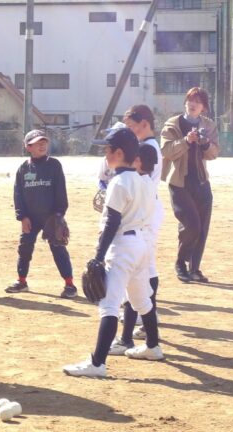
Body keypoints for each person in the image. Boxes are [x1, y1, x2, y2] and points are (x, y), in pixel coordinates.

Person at [63, 128, 163, 378]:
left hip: (122, 247)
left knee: (109, 304)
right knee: (142, 300)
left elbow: (111, 223)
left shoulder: (119, 182)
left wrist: (98, 255)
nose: (105, 156)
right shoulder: (144, 181)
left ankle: (97, 363)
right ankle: (153, 346)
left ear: (119, 153)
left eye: (107, 151)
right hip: (141, 245)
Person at [6, 129, 77, 299]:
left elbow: (61, 191)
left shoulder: (54, 165)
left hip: (51, 217)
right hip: (30, 217)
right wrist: (22, 217)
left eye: (44, 142)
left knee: (58, 248)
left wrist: (59, 214)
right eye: (37, 143)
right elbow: (18, 194)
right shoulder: (23, 168)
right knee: (25, 248)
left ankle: (69, 284)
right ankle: (22, 281)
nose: (42, 145)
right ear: (28, 146)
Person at [160, 87, 219, 283]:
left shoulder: (208, 125)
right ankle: (180, 262)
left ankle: (194, 269)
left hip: (201, 182)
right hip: (179, 182)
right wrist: (186, 141)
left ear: (203, 107)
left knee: (202, 227)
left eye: (198, 101)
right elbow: (167, 151)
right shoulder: (173, 124)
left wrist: (204, 143)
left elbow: (214, 153)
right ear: (185, 102)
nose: (193, 104)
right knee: (191, 224)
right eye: (190, 100)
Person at [109, 144, 161, 354]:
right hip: (143, 242)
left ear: (138, 161)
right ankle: (144, 342)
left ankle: (125, 340)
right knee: (138, 295)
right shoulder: (146, 183)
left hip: (137, 242)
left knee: (131, 295)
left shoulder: (137, 183)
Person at [123, 105, 164, 340]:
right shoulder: (148, 145)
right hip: (148, 206)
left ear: (144, 123)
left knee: (147, 267)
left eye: (132, 126)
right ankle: (147, 314)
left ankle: (150, 315)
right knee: (146, 265)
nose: (130, 131)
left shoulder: (147, 147)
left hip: (147, 209)